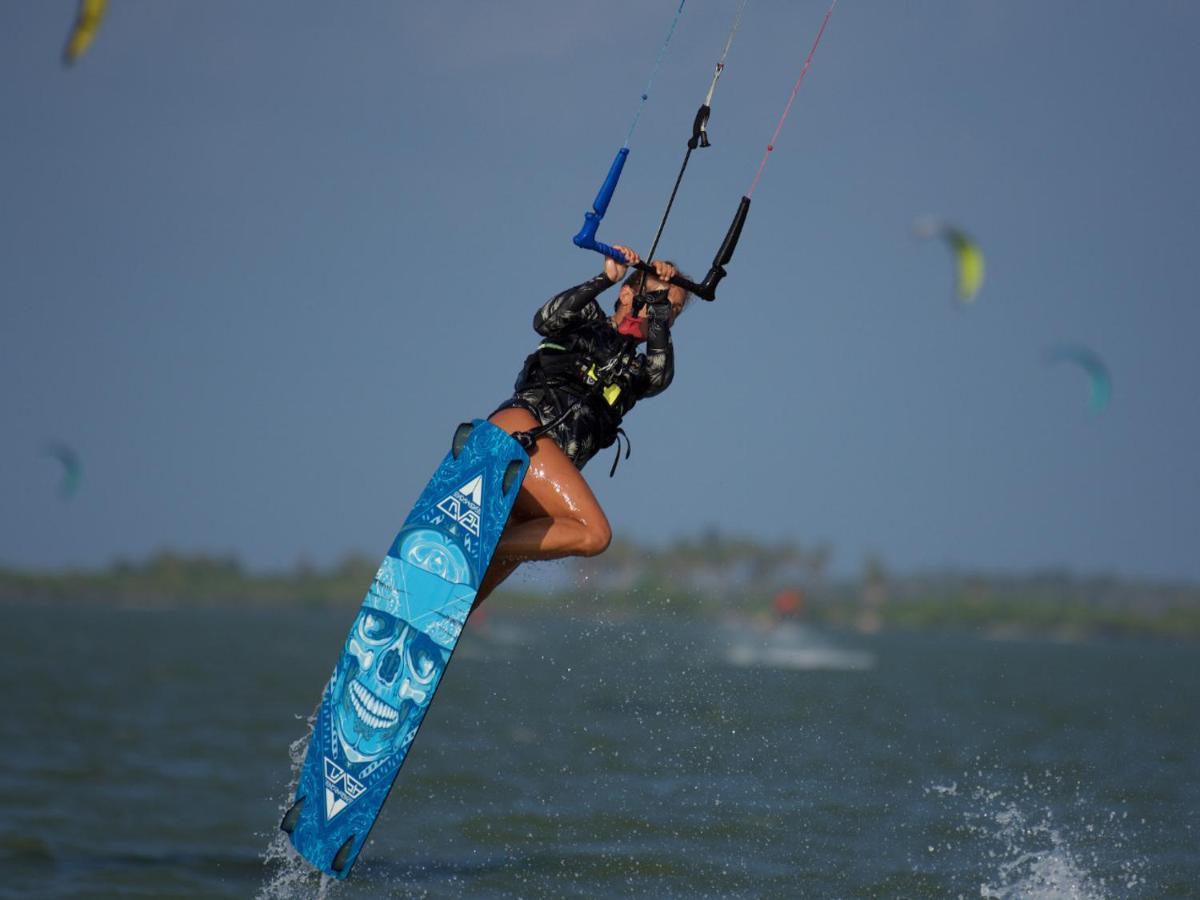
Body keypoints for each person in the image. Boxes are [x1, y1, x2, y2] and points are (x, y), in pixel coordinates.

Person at [473, 245, 690, 609]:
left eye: (672, 310)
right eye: (655, 300)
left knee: (488, 573)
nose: (662, 313)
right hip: (521, 435)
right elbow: (544, 319)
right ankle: (480, 542)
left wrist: (659, 305)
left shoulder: (637, 373)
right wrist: (605, 278)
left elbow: (659, 374)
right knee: (593, 533)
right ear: (626, 295)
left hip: (541, 471)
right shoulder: (586, 319)